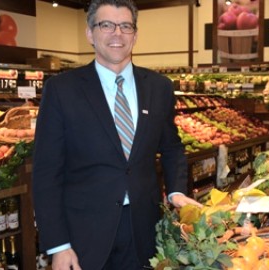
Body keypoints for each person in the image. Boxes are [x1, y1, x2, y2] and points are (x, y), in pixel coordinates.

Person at [31, 0, 202, 269]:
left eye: (125, 26)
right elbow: (46, 173)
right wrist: (58, 245)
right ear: (90, 33)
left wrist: (176, 191)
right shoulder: (62, 90)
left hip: (145, 228)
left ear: (135, 35)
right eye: (106, 25)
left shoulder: (159, 87)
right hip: (84, 234)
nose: (117, 34)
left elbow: (171, 147)